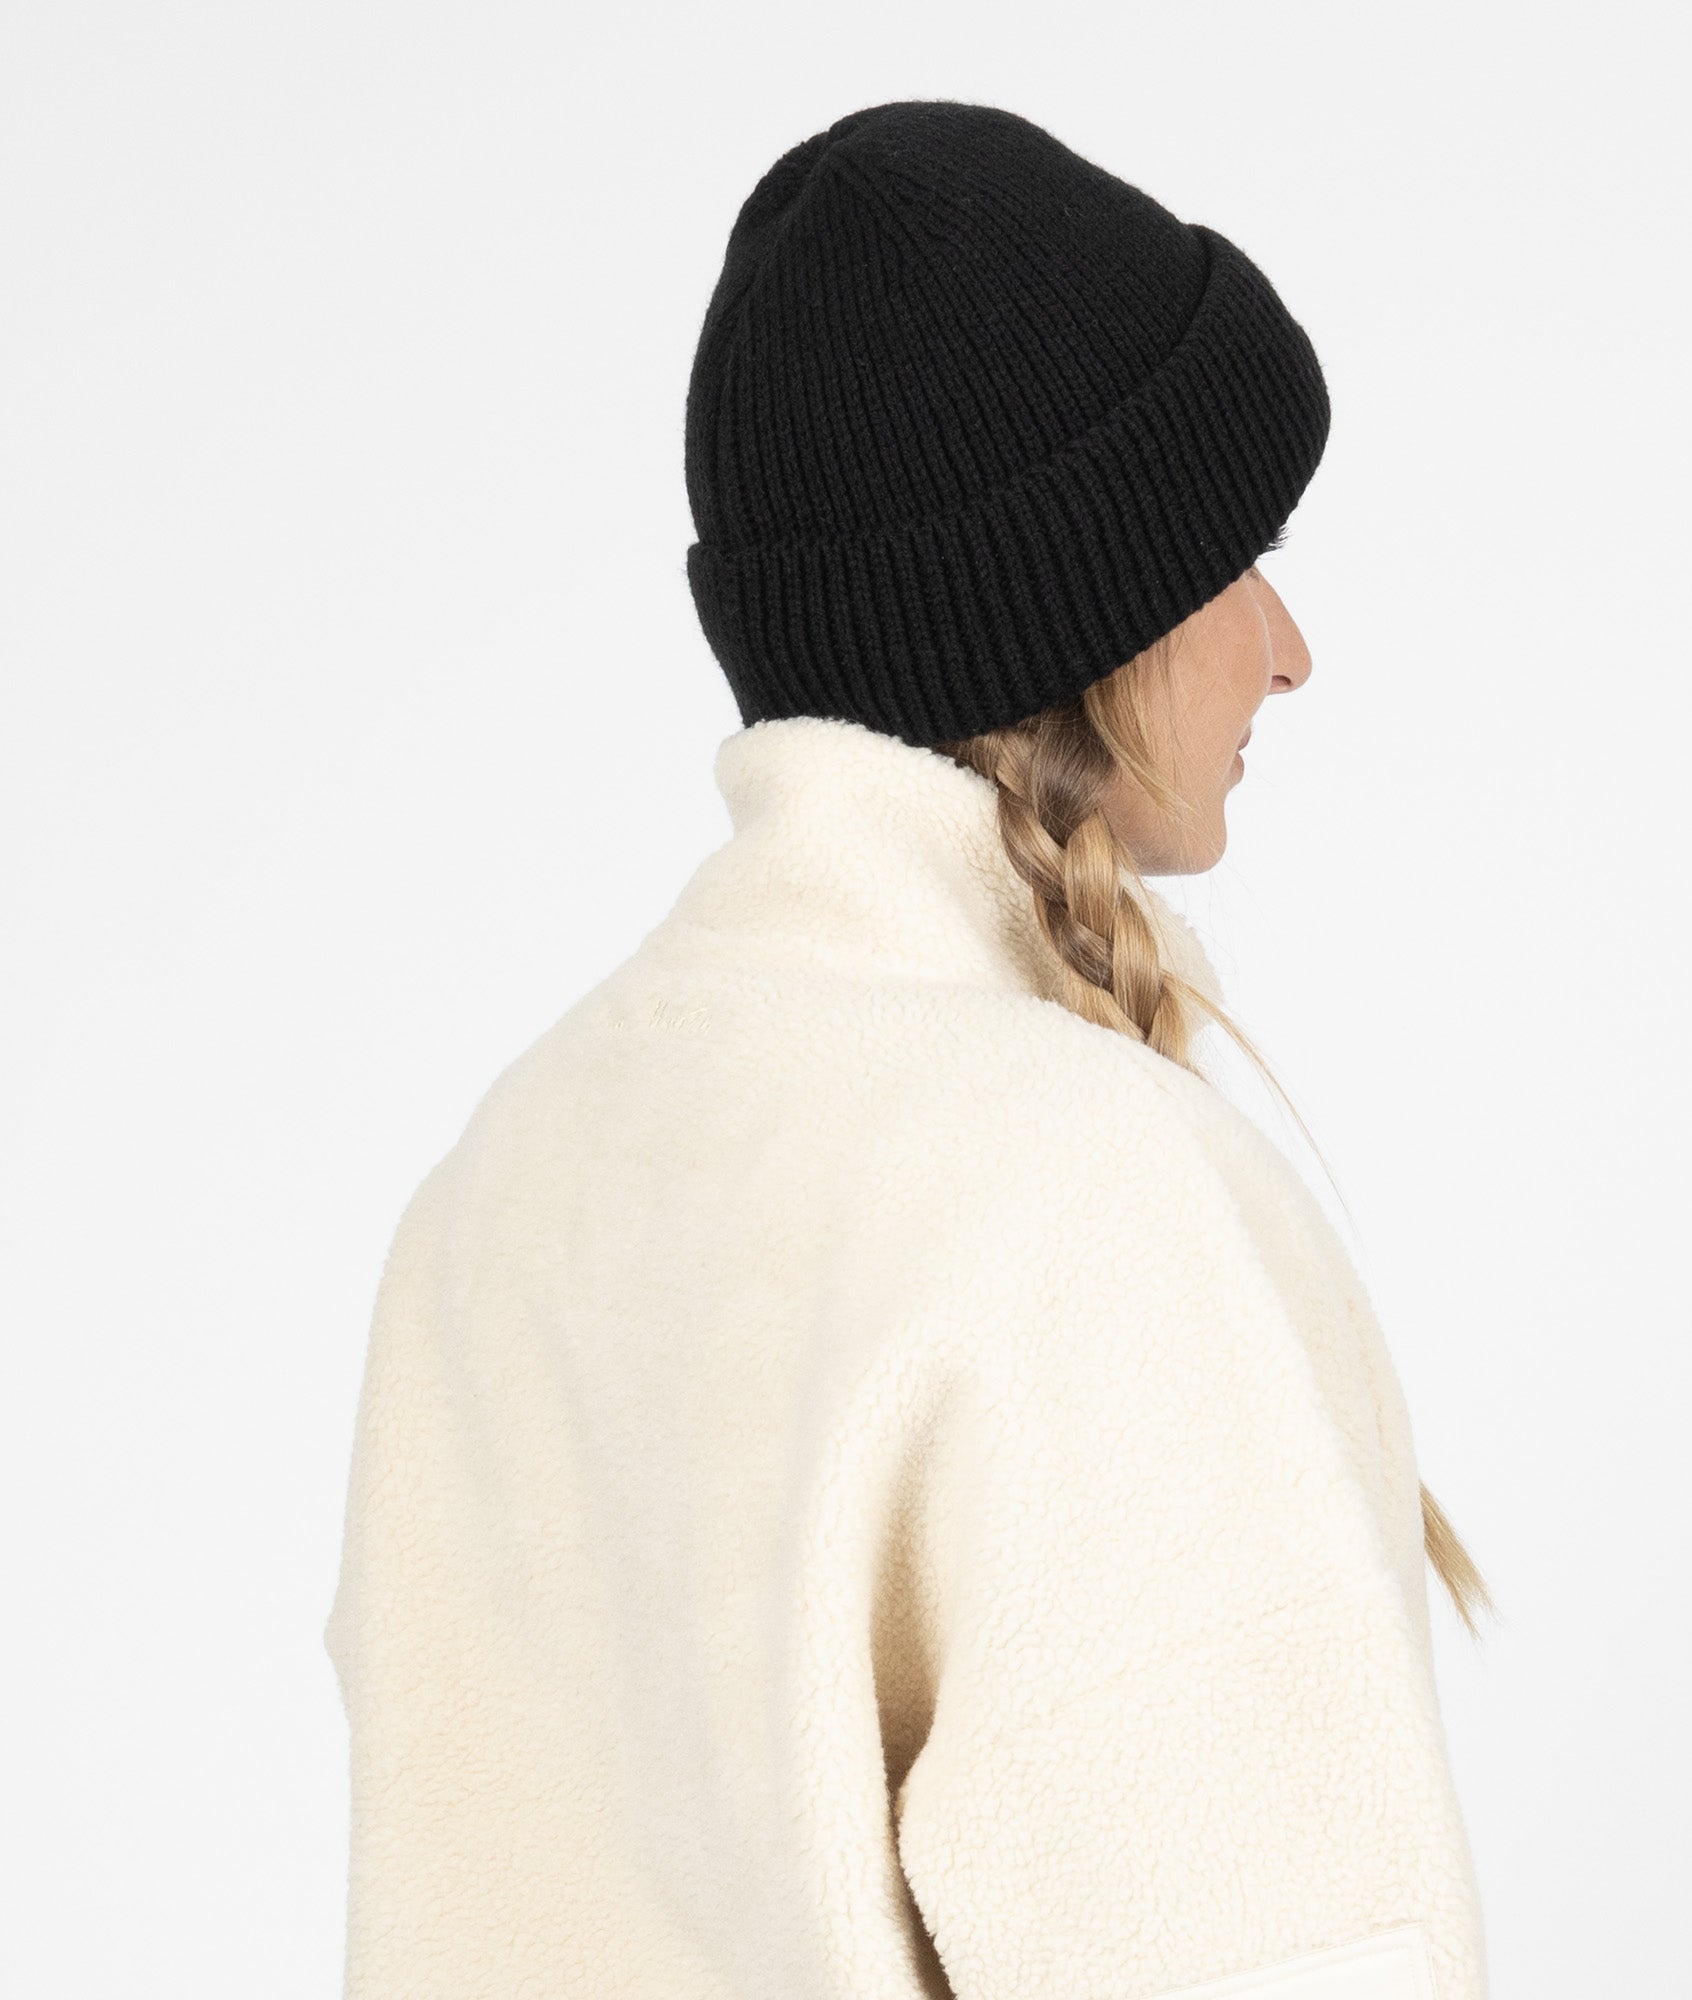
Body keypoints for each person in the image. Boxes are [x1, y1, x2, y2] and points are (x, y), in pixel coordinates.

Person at [326, 99, 1489, 2000]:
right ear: (1084, 603)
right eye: (1240, 554)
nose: (1289, 649)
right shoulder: (1088, 1201)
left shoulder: (500, 1190)